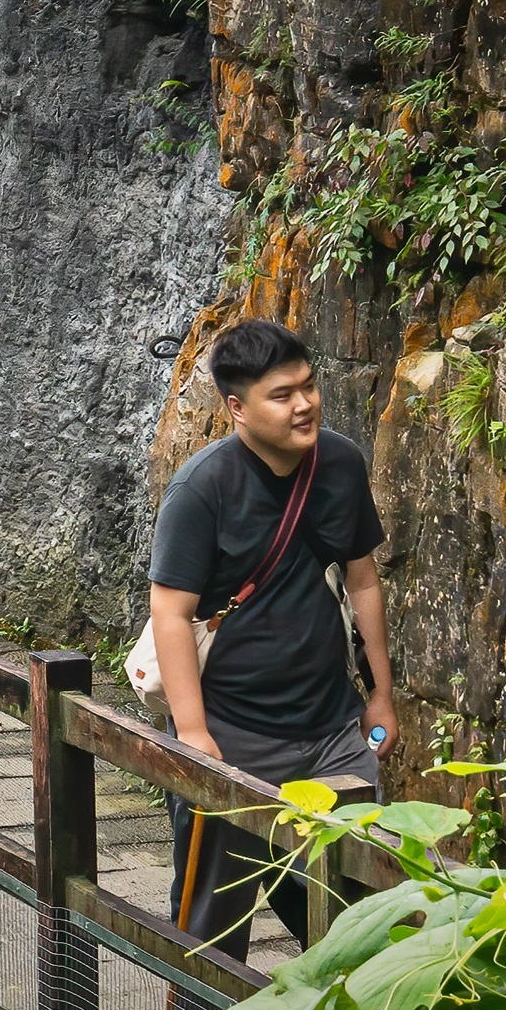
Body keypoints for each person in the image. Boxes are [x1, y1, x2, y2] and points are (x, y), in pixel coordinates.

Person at [145, 318, 397, 957]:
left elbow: (363, 581)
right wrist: (194, 732)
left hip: (334, 728)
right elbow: (170, 613)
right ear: (237, 408)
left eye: (308, 387)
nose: (304, 404)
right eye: (282, 395)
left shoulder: (339, 463)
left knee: (357, 919)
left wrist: (381, 697)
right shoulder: (202, 489)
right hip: (235, 734)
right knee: (211, 925)